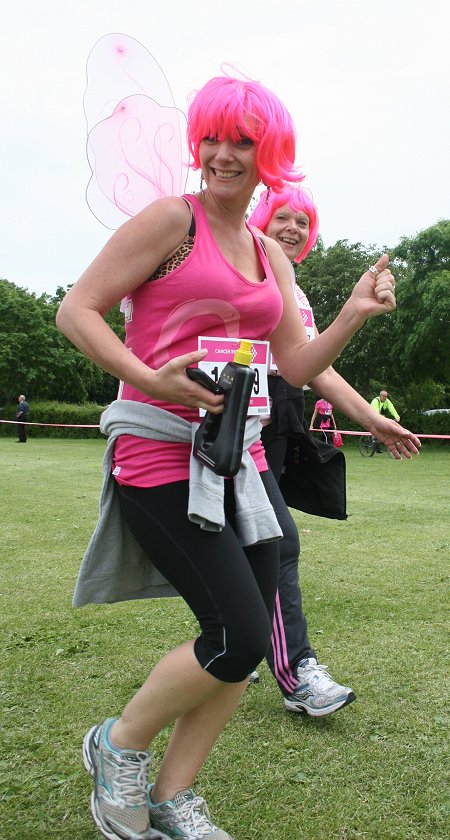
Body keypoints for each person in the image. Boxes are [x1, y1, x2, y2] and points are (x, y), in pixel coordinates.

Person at [56, 75, 417, 840]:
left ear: (270, 154)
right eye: (213, 137)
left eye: (243, 141)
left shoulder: (267, 254)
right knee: (239, 636)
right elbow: (76, 308)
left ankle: (172, 798)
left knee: (242, 648)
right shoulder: (169, 221)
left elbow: (295, 362)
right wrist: (147, 376)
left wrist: (352, 312)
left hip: (234, 460)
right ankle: (116, 746)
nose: (222, 153)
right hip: (156, 449)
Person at [247, 185, 420, 717]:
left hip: (279, 418)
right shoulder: (241, 269)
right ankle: (296, 670)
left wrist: (372, 420)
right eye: (283, 216)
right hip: (235, 419)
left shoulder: (294, 291)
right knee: (276, 540)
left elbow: (313, 366)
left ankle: (238, 640)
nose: (294, 227)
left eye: (303, 220)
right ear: (260, 219)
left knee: (254, 543)